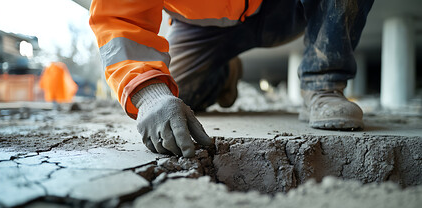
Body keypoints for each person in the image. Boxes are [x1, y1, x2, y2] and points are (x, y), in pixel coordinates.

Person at [89, 0, 374, 157]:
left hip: (284, 9)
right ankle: (226, 75)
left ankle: (323, 85)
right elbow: (119, 17)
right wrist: (150, 93)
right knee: (179, 93)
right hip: (201, 22)